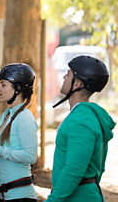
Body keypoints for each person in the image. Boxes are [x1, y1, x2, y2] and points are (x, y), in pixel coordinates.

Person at [45, 55, 115, 202]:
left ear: (77, 84)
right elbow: (99, 167)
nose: (64, 77)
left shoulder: (81, 121)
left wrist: (52, 200)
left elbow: (73, 170)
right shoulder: (88, 115)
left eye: (68, 74)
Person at [0, 63, 38, 202]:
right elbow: (8, 147)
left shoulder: (25, 117)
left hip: (21, 197)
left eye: (3, 85)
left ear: (18, 88)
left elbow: (30, 156)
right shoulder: (7, 114)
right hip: (5, 195)